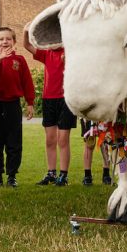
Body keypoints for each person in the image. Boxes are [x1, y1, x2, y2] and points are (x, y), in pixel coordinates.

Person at [26, 30, 76, 186]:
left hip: (66, 100)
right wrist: (26, 30)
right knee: (50, 140)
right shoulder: (46, 53)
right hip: (49, 100)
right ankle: (51, 173)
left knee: (63, 139)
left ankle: (63, 175)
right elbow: (26, 44)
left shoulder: (69, 52)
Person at [0, 27, 35, 188]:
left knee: (14, 142)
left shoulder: (20, 60)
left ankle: (12, 176)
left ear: (14, 42)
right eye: (1, 39)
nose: (5, 41)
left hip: (13, 104)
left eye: (8, 39)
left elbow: (27, 82)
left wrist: (30, 102)